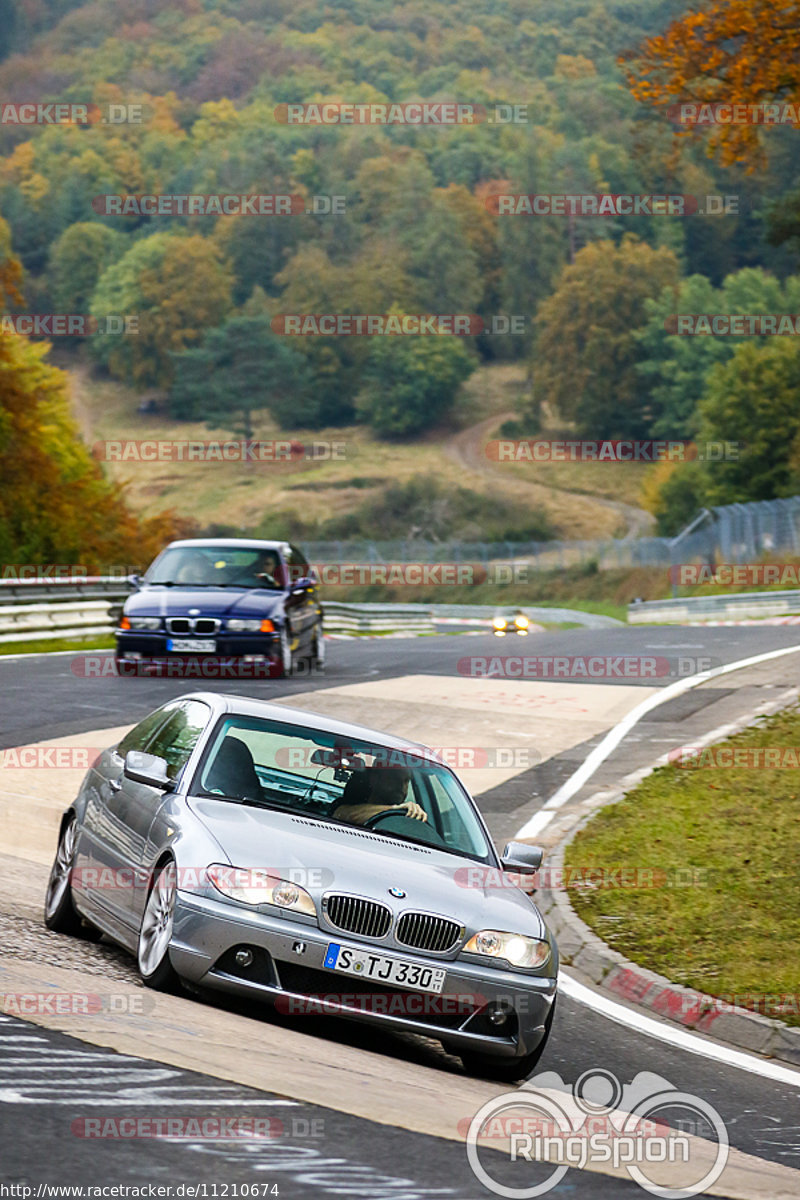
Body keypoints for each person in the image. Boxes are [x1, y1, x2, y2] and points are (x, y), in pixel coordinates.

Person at [332, 765, 428, 825]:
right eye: (395, 779)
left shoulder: (407, 817)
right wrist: (394, 809)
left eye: (406, 781)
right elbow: (346, 815)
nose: (401, 787)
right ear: (374, 779)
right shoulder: (345, 804)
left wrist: (414, 814)